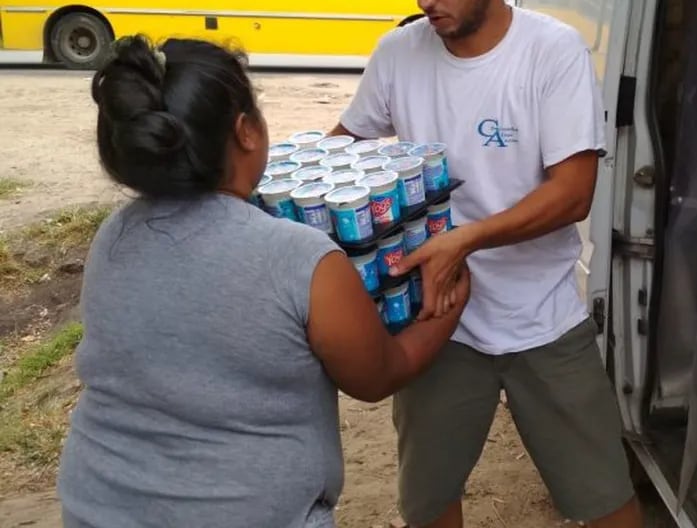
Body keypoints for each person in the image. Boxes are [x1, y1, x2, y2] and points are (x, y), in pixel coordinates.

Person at [57, 35, 470, 528]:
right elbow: (379, 374)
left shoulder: (113, 237)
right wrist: (453, 301)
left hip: (97, 507)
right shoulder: (300, 259)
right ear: (246, 131)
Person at [329, 0, 643, 526]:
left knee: (606, 502)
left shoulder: (551, 52)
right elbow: (344, 155)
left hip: (543, 319)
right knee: (430, 500)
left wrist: (460, 241)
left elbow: (573, 191)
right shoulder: (399, 54)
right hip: (438, 322)